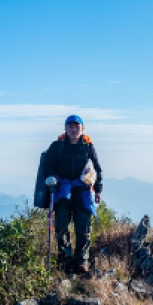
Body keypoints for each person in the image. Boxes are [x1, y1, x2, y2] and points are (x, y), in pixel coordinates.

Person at [42, 115, 103, 273]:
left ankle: (82, 260)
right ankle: (65, 259)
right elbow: (47, 165)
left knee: (83, 226)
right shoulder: (57, 146)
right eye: (71, 126)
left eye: (77, 126)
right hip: (62, 190)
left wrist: (98, 190)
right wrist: (49, 177)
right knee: (61, 225)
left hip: (82, 191)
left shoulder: (87, 146)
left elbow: (97, 168)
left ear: (83, 129)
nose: (74, 129)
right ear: (65, 129)